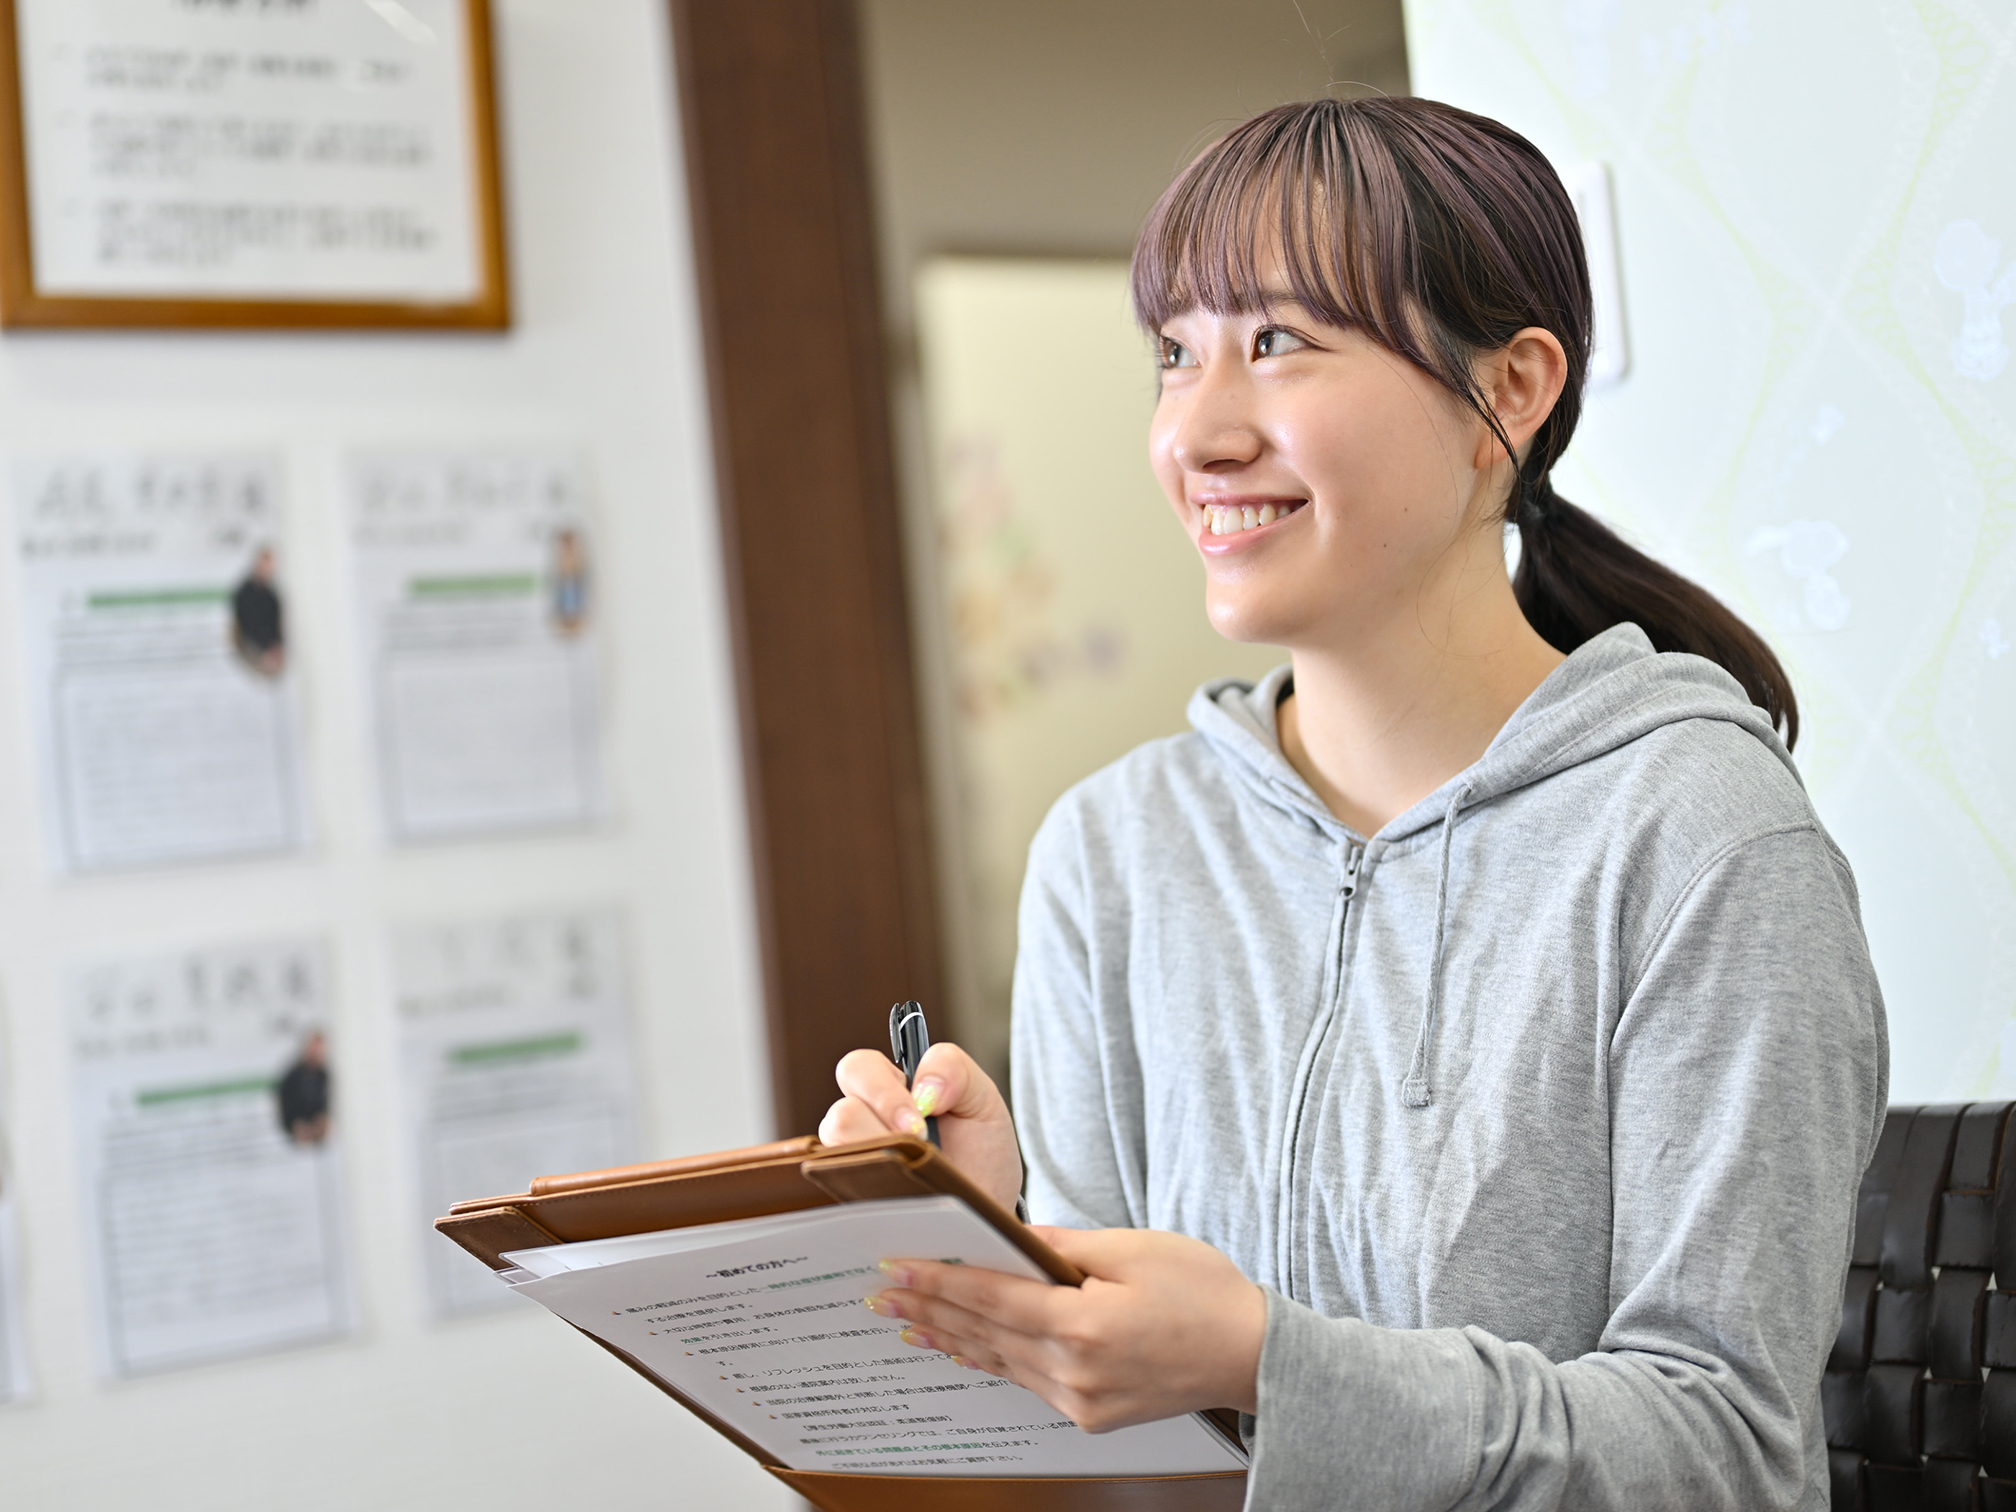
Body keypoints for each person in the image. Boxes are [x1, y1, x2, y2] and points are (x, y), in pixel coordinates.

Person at [822, 97, 1886, 1510]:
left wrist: (1272, 1362)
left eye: (1277, 343)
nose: (1195, 431)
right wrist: (994, 1236)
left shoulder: (1703, 842)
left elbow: (1729, 1460)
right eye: (1174, 355)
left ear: (1509, 391)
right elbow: (1125, 1457)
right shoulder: (1114, 851)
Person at [230, 545, 286, 677]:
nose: (268, 568)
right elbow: (246, 627)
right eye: (265, 563)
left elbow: (275, 624)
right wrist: (266, 650)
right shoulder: (246, 593)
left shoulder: (271, 594)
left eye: (270, 564)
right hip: (255, 651)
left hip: (272, 652)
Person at [276, 1030, 331, 1146]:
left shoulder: (323, 1075)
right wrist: (296, 1126)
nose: (316, 1053)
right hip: (297, 1140)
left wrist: (322, 1121)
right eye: (313, 1048)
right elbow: (286, 1109)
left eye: (319, 1049)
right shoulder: (292, 1077)